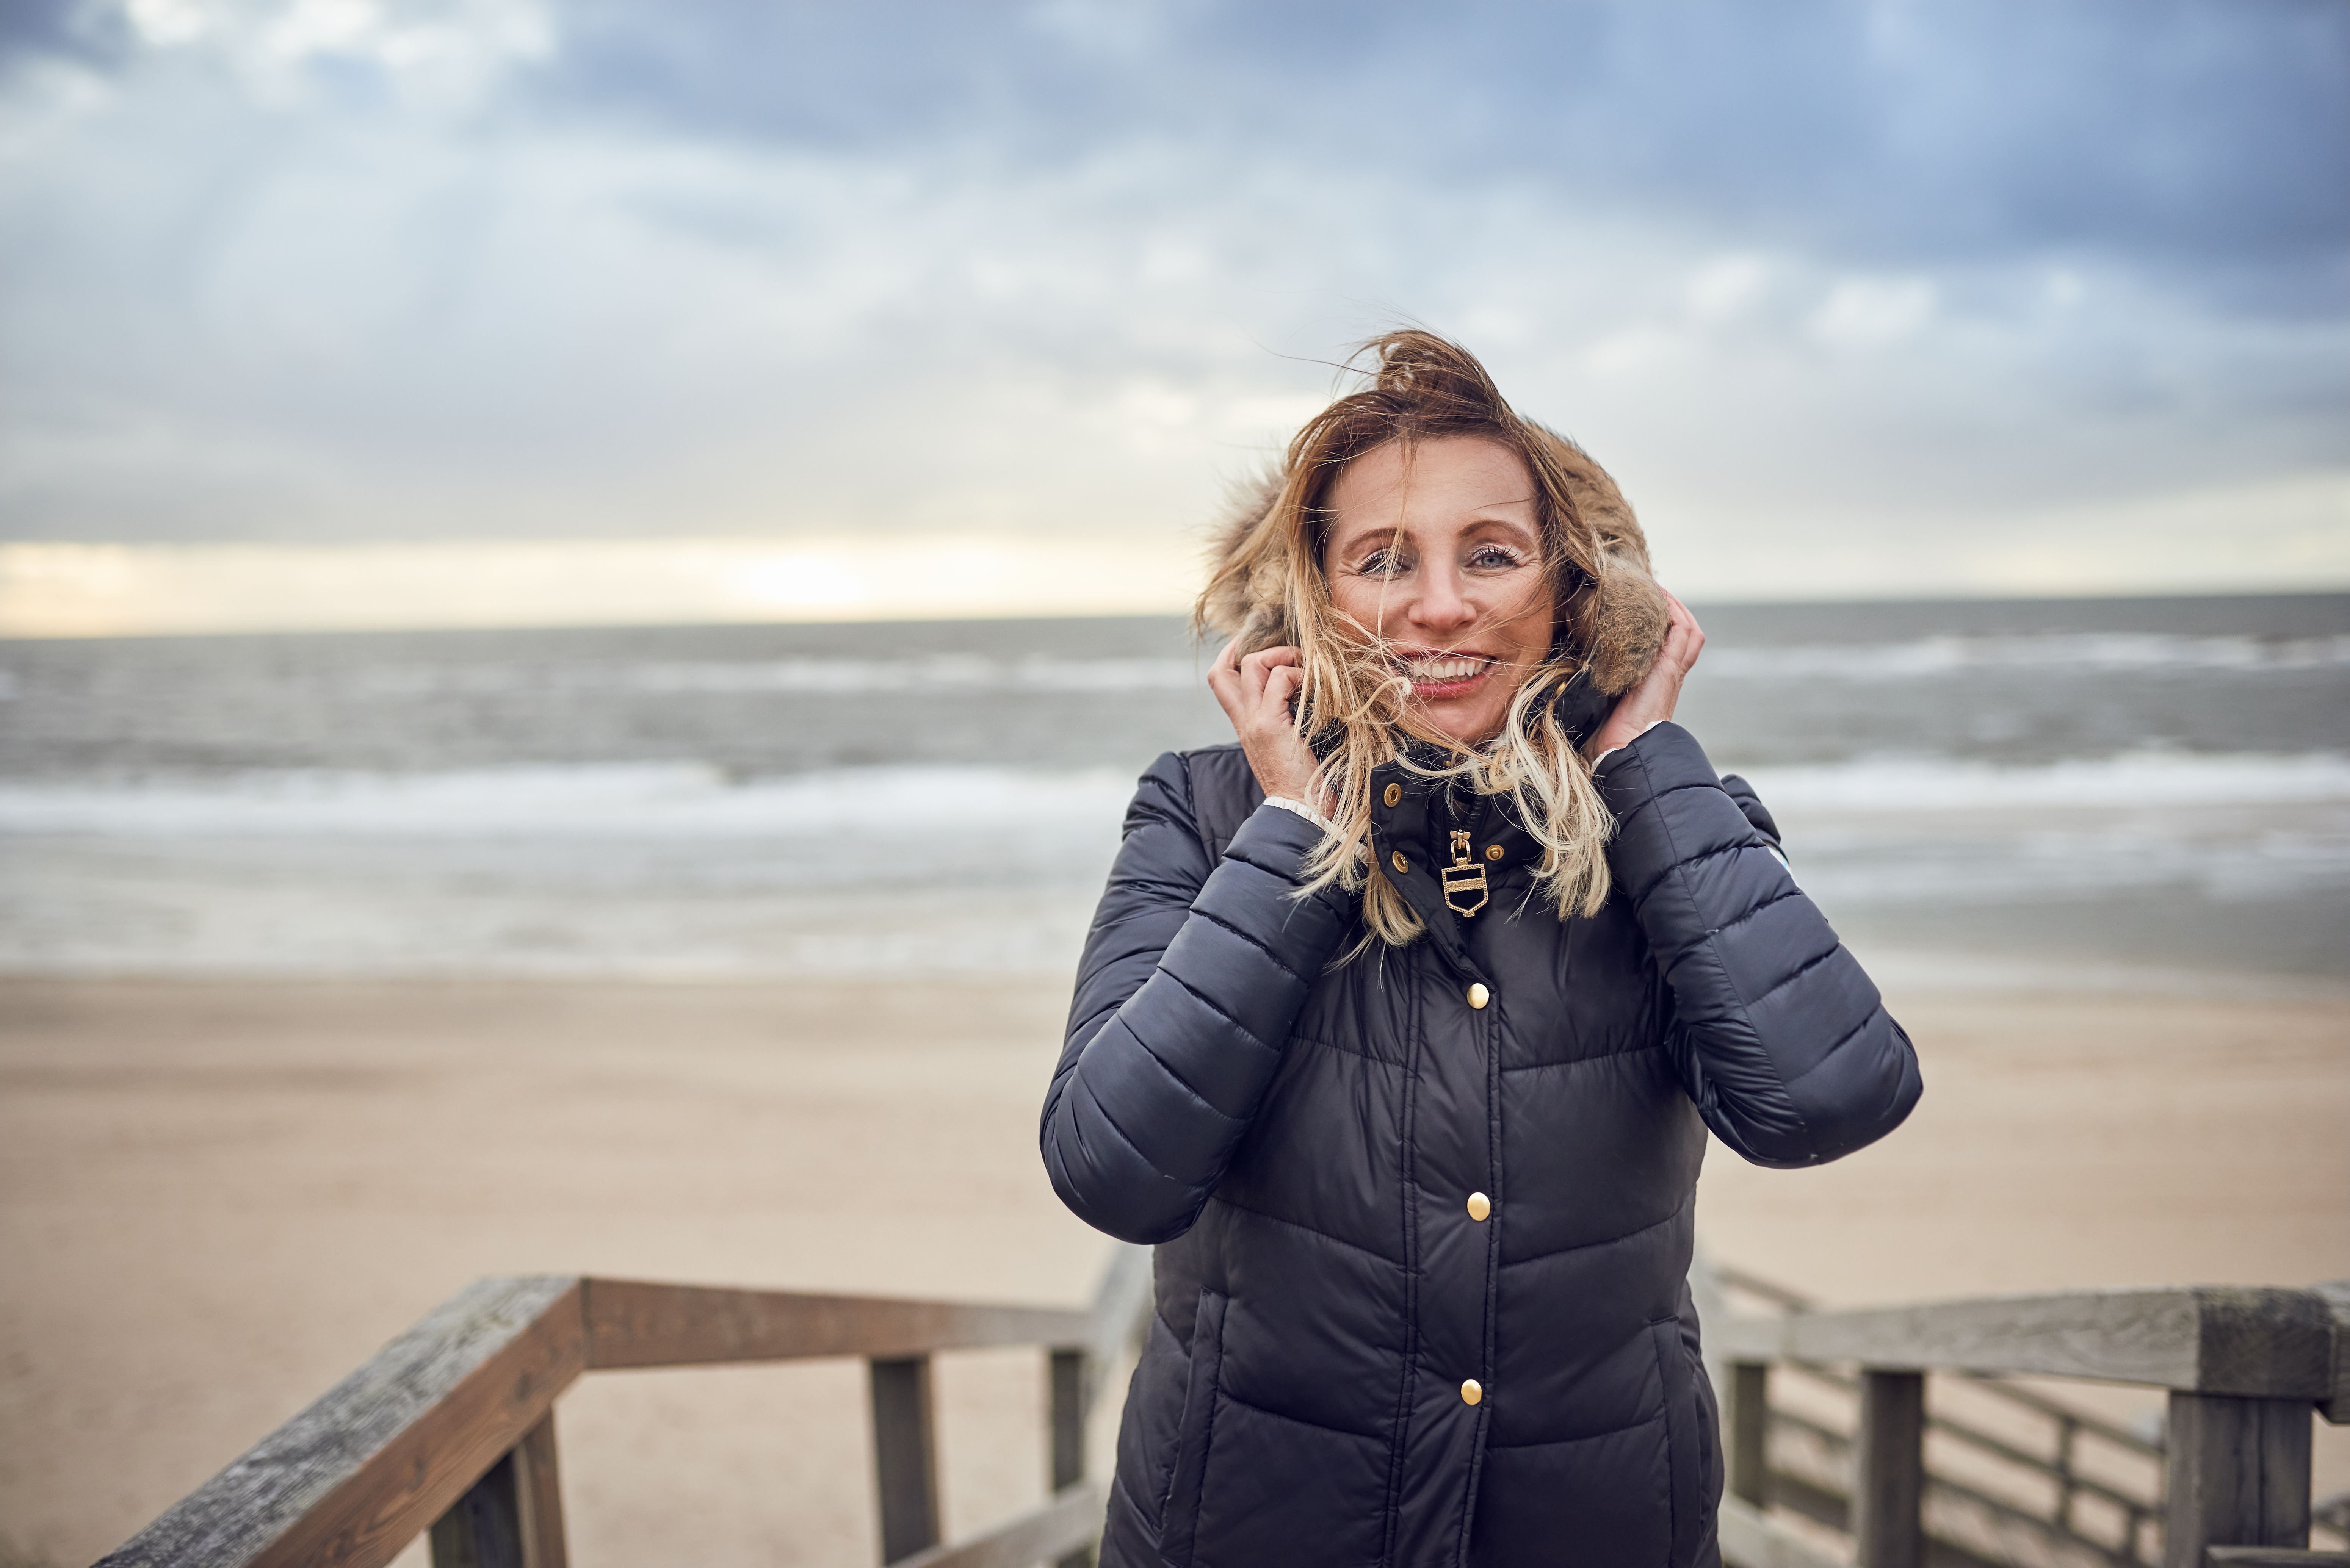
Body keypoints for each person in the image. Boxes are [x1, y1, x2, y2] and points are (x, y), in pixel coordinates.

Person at [1039, 331, 1921, 1568]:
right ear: (1314, 595)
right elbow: (1110, 1166)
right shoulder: (1206, 813)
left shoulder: (1670, 826)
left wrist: (1648, 776)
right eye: (1382, 559)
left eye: (1492, 555)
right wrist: (1298, 834)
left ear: (1573, 590)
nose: (1440, 606)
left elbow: (1829, 1096)